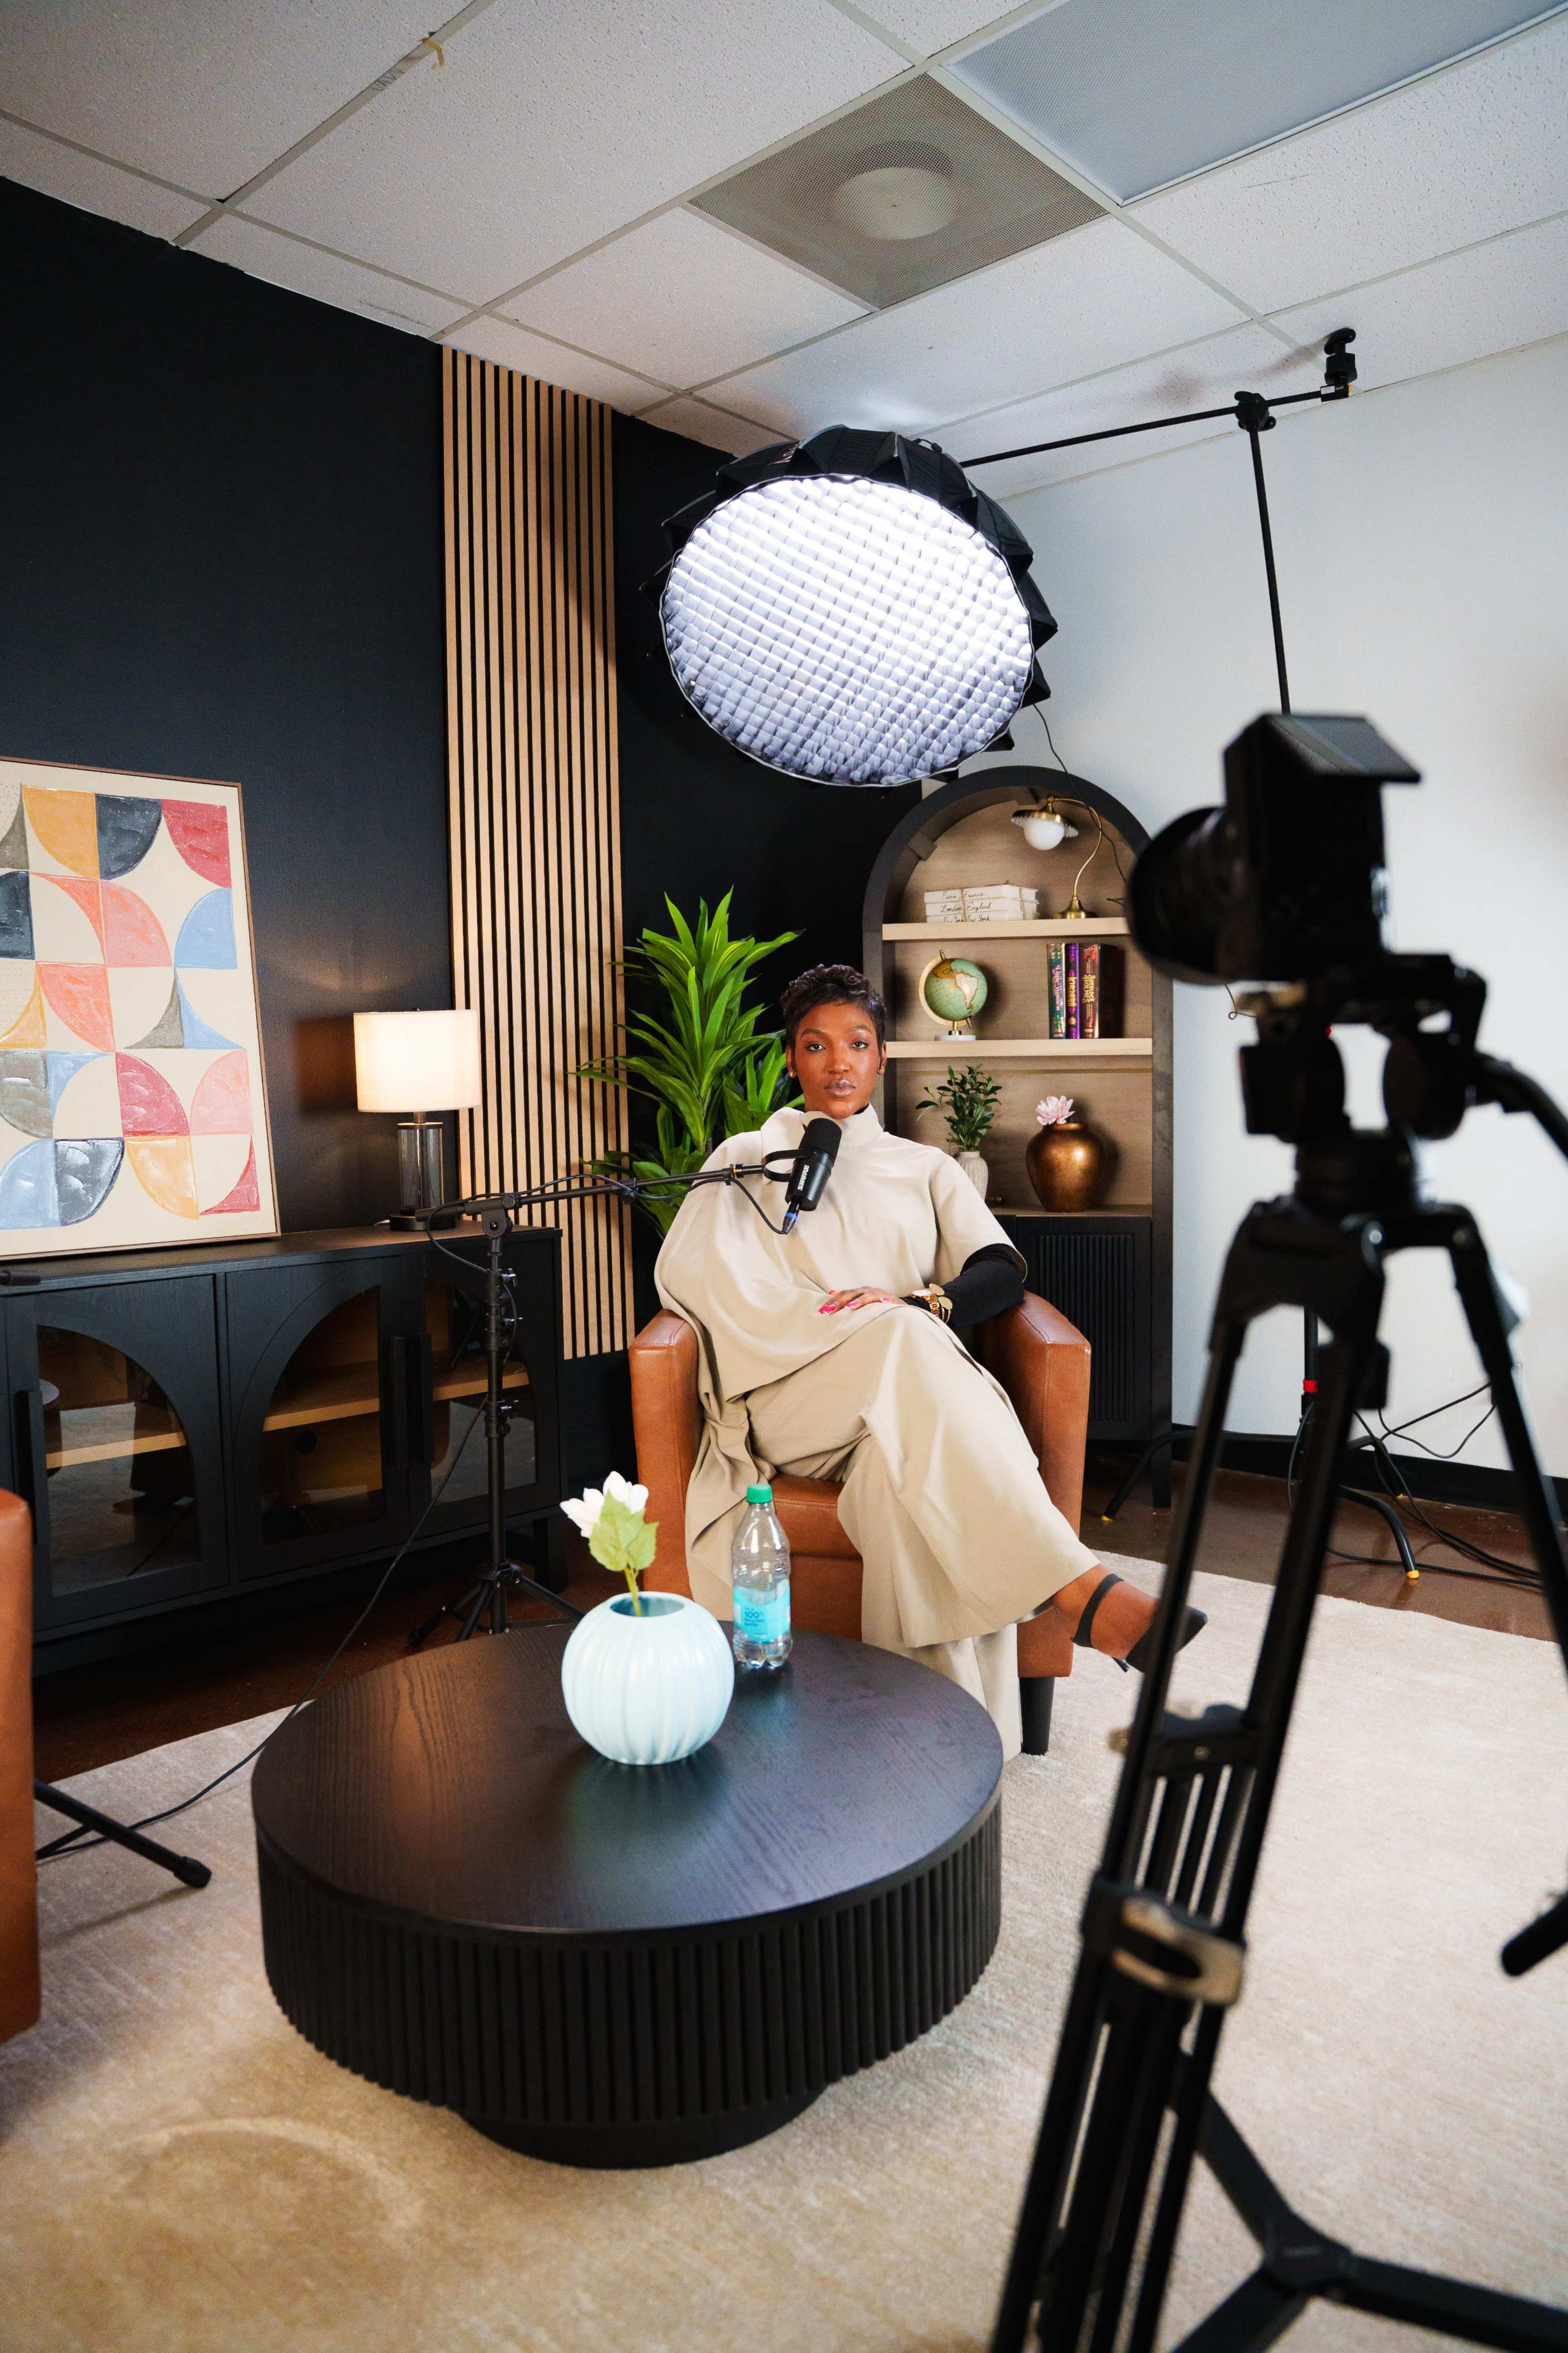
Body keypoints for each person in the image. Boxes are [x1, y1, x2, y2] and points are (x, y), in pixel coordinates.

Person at [655, 964, 1203, 1755]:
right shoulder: (747, 1159)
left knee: (899, 1490)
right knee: (899, 1336)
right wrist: (845, 1323)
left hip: (902, 1413)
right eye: (816, 1046)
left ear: (881, 1057)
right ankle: (1075, 1588)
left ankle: (942, 1750)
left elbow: (999, 1269)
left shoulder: (926, 1169)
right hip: (786, 1398)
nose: (838, 1063)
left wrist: (922, 1302)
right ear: (790, 1060)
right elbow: (697, 1279)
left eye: (856, 1044)